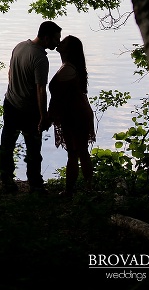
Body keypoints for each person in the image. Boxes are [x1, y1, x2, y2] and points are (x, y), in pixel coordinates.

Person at [0, 20, 62, 193]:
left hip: (10, 103)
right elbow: (41, 90)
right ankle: (35, 185)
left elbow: (10, 72)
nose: (58, 44)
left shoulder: (19, 47)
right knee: (33, 149)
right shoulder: (40, 59)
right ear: (46, 37)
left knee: (7, 144)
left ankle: (6, 181)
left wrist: (15, 90)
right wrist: (43, 116)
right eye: (56, 39)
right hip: (28, 111)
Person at [48, 35, 95, 197]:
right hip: (73, 113)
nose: (59, 42)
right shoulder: (68, 66)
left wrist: (48, 116)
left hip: (76, 115)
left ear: (69, 50)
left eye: (64, 42)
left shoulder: (68, 69)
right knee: (76, 152)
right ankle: (77, 189)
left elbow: (57, 97)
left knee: (79, 152)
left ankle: (80, 189)